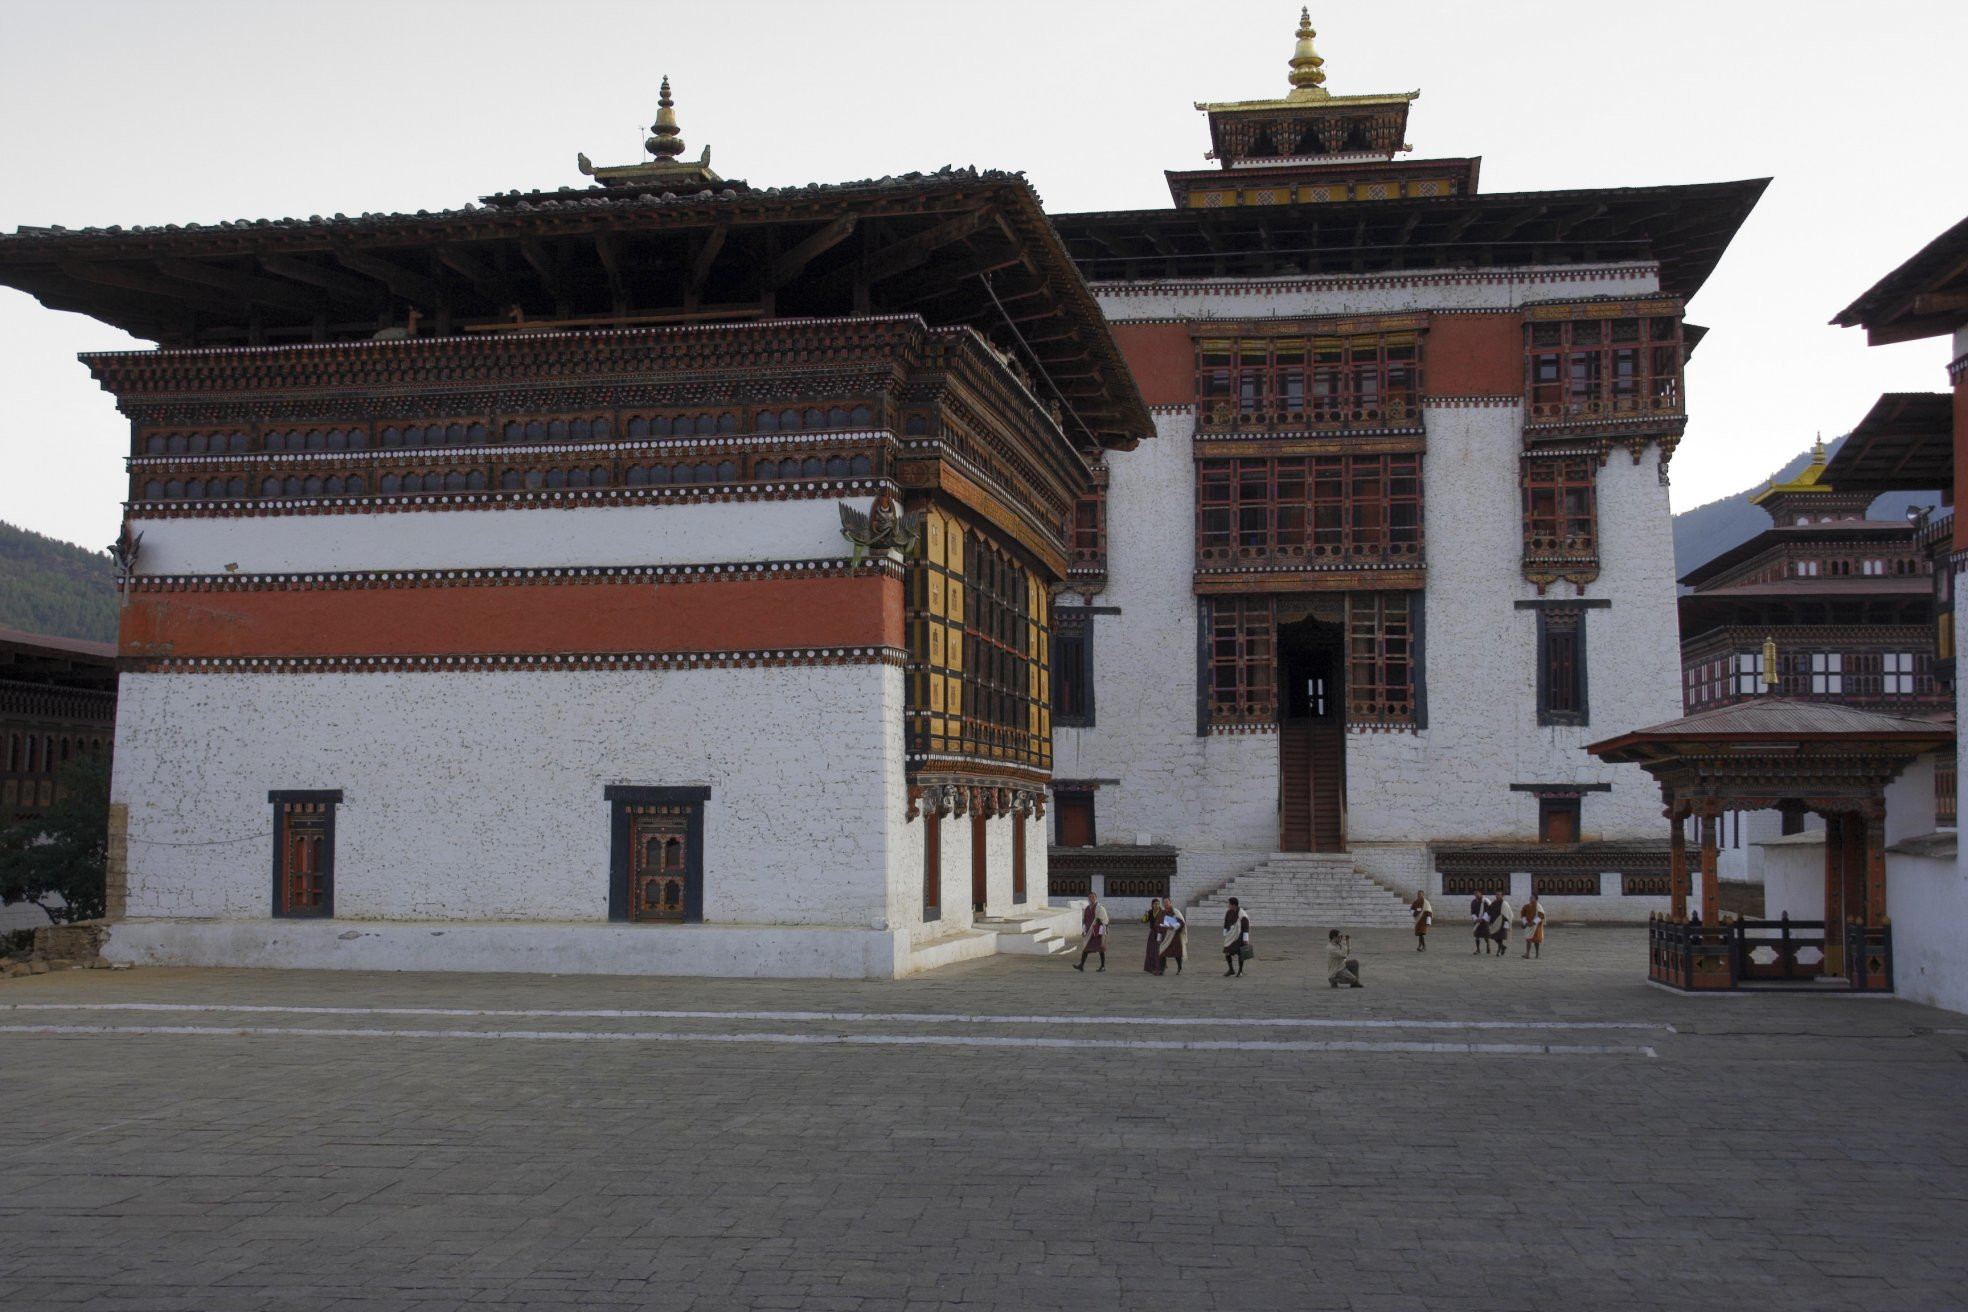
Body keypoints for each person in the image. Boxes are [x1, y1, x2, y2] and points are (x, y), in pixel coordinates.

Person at [1074, 889, 1109, 972]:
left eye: (1093, 897)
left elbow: (1104, 920)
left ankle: (1103, 966)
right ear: (1088, 899)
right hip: (1089, 932)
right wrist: (1083, 930)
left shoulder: (1100, 908)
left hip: (1098, 931)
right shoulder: (1087, 909)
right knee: (1086, 948)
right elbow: (1085, 921)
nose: (1091, 898)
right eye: (1090, 897)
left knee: (1101, 948)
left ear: (1096, 898)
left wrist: (1101, 932)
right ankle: (1081, 965)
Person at [1222, 898, 1251, 977]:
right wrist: (1225, 932)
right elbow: (1226, 922)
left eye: (1229, 904)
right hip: (1231, 935)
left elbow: (1246, 928)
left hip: (1239, 936)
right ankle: (1231, 969)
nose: (1228, 905)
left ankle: (1240, 971)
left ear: (1233, 905)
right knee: (1227, 951)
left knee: (1240, 953)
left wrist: (1245, 939)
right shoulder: (1228, 912)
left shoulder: (1242, 915)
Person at [1158, 902, 1188, 974]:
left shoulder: (1176, 912)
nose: (1166, 904)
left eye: (1167, 902)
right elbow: (1158, 925)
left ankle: (1179, 967)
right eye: (1164, 902)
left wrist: (1174, 926)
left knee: (1177, 953)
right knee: (1162, 951)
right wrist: (1158, 937)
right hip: (1166, 936)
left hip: (1175, 935)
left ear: (1170, 903)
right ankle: (1162, 969)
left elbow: (1182, 923)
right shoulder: (1162, 913)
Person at [1143, 897, 1168, 975]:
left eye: (1158, 904)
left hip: (1160, 933)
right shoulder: (1150, 912)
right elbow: (1144, 921)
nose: (1157, 905)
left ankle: (1160, 967)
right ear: (1152, 905)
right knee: (1150, 950)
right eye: (1155, 904)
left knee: (1158, 949)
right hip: (1153, 933)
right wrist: (1146, 915)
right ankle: (1151, 967)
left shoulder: (1163, 912)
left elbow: (1166, 923)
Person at [1520, 893, 1546, 959]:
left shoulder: (1539, 906)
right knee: (1528, 940)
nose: (1530, 899)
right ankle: (1527, 954)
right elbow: (1523, 914)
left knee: (1536, 941)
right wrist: (1525, 922)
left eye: (1532, 898)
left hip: (1536, 926)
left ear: (1536, 899)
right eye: (1530, 897)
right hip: (1528, 925)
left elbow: (1541, 916)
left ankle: (1537, 954)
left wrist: (1533, 922)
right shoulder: (1526, 906)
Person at [1491, 892, 1515, 959]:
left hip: (1503, 922)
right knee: (1494, 936)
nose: (1497, 896)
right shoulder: (1494, 903)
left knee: (1500, 937)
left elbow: (1509, 914)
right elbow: (1490, 910)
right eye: (1496, 894)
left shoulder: (1505, 904)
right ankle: (1503, 947)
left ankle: (1498, 951)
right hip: (1495, 922)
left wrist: (1506, 924)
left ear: (1502, 896)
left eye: (1499, 895)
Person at [1472, 889, 1494, 955]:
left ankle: (1488, 946)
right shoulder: (1473, 902)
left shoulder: (1485, 901)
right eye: (1475, 893)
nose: (1476, 895)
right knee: (1477, 935)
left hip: (1485, 920)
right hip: (1477, 920)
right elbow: (1472, 912)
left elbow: (1488, 911)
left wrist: (1483, 919)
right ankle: (1478, 949)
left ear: (1481, 893)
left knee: (1486, 935)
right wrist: (1476, 918)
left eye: (1477, 893)